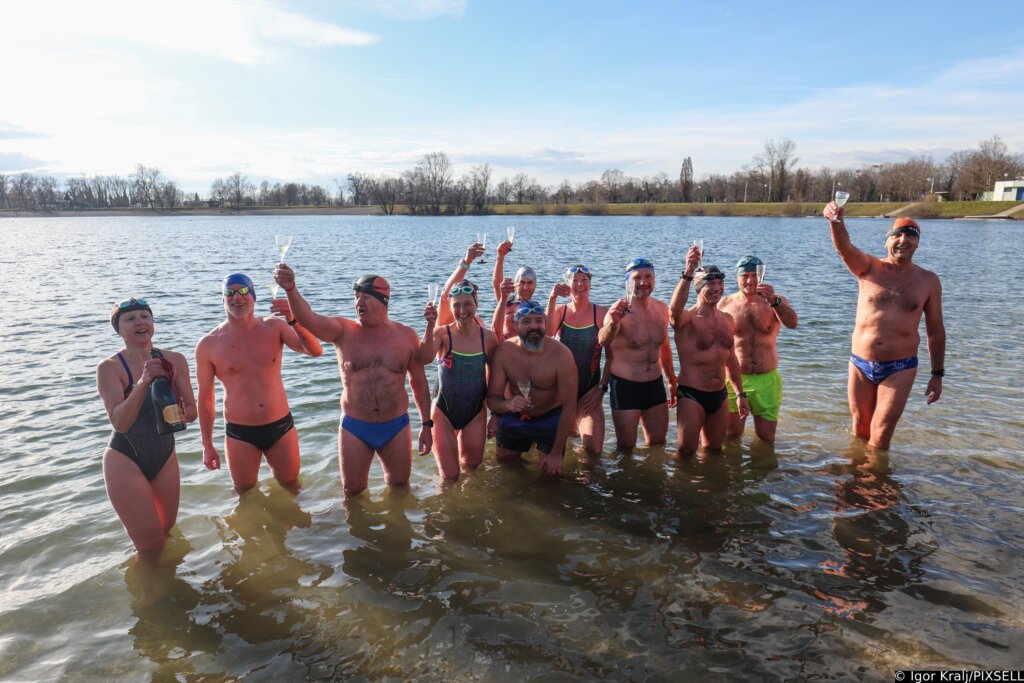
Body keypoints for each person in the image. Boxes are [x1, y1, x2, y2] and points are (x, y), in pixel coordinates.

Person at [275, 264, 433, 495]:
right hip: (355, 427)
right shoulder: (343, 331)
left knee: (400, 489)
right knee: (353, 492)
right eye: (357, 297)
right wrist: (291, 290)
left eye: (366, 297)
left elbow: (419, 383)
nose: (359, 302)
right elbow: (308, 318)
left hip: (396, 426)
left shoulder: (406, 336)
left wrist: (426, 424)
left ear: (383, 302)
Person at [823, 206, 945, 450]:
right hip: (860, 363)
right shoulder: (869, 268)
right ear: (887, 240)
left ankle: (875, 483)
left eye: (911, 235)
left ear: (918, 244)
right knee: (860, 428)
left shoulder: (928, 281)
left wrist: (937, 374)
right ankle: (858, 478)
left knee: (881, 434)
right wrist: (836, 222)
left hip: (899, 367)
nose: (903, 240)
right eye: (897, 235)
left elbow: (936, 330)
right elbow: (844, 249)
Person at [196, 273, 323, 493]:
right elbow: (206, 398)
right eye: (230, 292)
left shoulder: (274, 327)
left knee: (292, 487)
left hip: (280, 426)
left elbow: (315, 351)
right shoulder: (208, 344)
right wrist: (207, 445)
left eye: (243, 291)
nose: (237, 297)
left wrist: (293, 319)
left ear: (253, 295)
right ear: (223, 299)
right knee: (245, 493)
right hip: (239, 433)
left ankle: (301, 528)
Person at [96, 298, 198, 556]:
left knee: (166, 530)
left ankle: (172, 586)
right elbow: (119, 422)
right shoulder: (109, 368)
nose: (140, 322)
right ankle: (150, 594)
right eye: (130, 319)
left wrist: (184, 411)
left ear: (153, 323)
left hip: (164, 454)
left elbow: (193, 411)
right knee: (150, 547)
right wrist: (144, 382)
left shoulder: (175, 360)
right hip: (125, 457)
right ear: (118, 329)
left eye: (145, 316)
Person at [669, 256, 750, 458]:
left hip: (720, 394)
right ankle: (681, 488)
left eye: (720, 283)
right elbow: (673, 312)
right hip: (692, 395)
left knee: (714, 450)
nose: (717, 288)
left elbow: (730, 359)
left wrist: (740, 394)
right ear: (698, 287)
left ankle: (709, 488)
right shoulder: (688, 319)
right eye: (710, 283)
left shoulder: (727, 320)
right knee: (686, 452)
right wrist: (689, 271)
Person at [487, 301, 578, 475]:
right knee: (506, 466)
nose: (534, 326)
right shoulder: (504, 352)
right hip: (515, 417)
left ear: (545, 323)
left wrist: (557, 453)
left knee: (551, 474)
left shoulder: (561, 354)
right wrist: (508, 405)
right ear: (515, 325)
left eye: (538, 320)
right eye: (526, 321)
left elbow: (569, 407)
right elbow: (492, 399)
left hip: (549, 417)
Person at [420, 279, 499, 480]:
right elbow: (425, 357)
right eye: (456, 305)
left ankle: (468, 511)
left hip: (475, 412)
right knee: (449, 477)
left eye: (467, 304)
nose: (462, 310)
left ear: (476, 304)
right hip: (443, 412)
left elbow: (496, 377)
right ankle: (444, 509)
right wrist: (430, 325)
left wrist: (496, 414)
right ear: (450, 307)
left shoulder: (488, 338)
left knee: (472, 469)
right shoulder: (442, 334)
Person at [717, 255, 798, 442]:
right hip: (735, 379)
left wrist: (774, 302)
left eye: (754, 275)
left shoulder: (776, 301)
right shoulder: (725, 304)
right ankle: (733, 470)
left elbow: (792, 323)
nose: (750, 280)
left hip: (767, 379)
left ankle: (765, 471)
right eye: (745, 275)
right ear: (737, 277)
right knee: (732, 435)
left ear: (761, 276)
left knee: (766, 437)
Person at [598, 258, 677, 450]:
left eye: (648, 276)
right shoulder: (618, 310)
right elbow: (603, 340)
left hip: (655, 386)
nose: (643, 282)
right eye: (637, 278)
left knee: (658, 444)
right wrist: (614, 323)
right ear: (627, 281)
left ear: (654, 278)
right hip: (626, 387)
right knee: (626, 448)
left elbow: (664, 347)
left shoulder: (661, 309)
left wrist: (672, 381)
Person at [546, 264, 609, 455]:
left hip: (588, 395)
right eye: (575, 281)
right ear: (567, 284)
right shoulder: (560, 311)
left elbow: (613, 358)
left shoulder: (602, 314)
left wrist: (601, 388)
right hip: (559, 394)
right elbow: (548, 333)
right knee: (554, 451)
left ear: (590, 283)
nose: (580, 284)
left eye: (584, 280)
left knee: (593, 450)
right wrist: (552, 297)